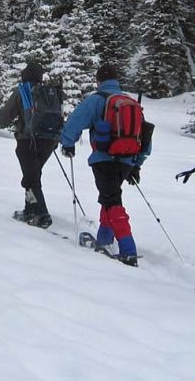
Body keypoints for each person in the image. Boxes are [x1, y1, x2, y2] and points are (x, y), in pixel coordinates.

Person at [59, 64, 149, 267]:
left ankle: (128, 250)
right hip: (127, 160)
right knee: (110, 198)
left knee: (112, 202)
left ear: (99, 81)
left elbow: (75, 122)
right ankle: (105, 240)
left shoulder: (97, 100)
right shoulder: (130, 102)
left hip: (104, 159)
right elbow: (145, 137)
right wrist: (137, 165)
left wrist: (67, 144)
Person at [0, 63, 62, 229]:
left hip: (28, 141)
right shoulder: (50, 93)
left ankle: (41, 214)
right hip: (49, 142)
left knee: (31, 178)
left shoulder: (23, 91)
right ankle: (30, 210)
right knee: (33, 175)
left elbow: (5, 116)